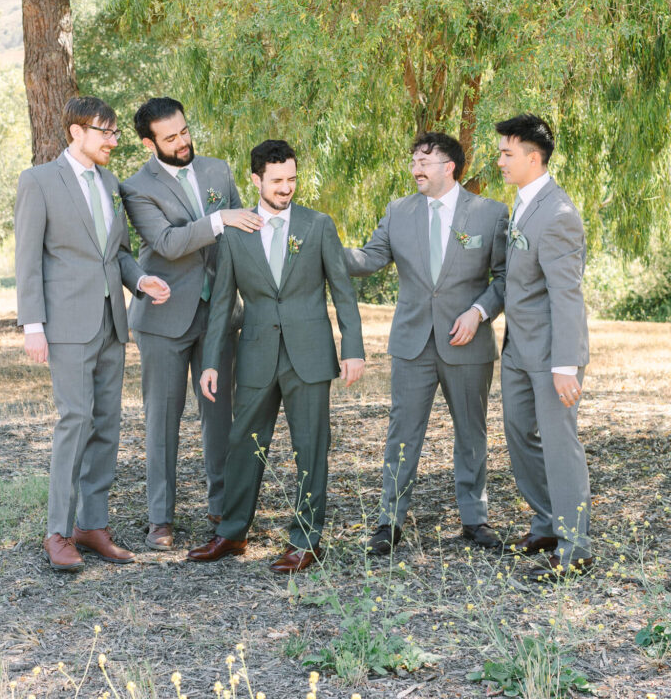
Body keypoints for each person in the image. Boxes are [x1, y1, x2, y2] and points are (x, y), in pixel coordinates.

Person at [186, 140, 365, 572]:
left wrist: (353, 349)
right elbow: (224, 302)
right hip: (255, 354)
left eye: (292, 179)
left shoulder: (318, 225)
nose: (286, 189)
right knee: (243, 444)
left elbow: (343, 292)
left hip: (310, 354)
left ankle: (306, 540)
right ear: (256, 180)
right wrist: (211, 361)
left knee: (311, 447)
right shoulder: (234, 233)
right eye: (277, 181)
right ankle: (231, 533)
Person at [15, 96, 170, 572]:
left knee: (106, 425)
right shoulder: (39, 181)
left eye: (115, 131)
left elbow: (117, 253)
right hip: (65, 326)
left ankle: (92, 525)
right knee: (74, 422)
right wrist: (34, 326)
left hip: (110, 324)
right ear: (75, 133)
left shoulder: (109, 183)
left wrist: (140, 279)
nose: (112, 140)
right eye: (104, 131)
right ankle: (58, 532)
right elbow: (27, 259)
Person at [346, 132, 508, 554]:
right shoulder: (398, 211)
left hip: (467, 342)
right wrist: (322, 246)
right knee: (402, 432)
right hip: (412, 343)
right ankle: (389, 522)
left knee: (472, 433)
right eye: (413, 161)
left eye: (425, 161)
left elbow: (505, 277)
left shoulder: (490, 214)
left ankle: (475, 520)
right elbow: (368, 259)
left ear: (449, 167)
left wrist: (479, 311)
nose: (416, 169)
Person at [120, 97, 262, 551]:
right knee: (163, 419)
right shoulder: (136, 186)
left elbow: (246, 232)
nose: (182, 142)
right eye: (170, 137)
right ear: (149, 142)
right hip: (163, 317)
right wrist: (218, 218)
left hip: (219, 315)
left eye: (184, 131)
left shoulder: (219, 170)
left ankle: (222, 508)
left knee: (219, 416)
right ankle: (160, 518)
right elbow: (166, 241)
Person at [496, 114, 592, 580]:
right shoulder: (521, 203)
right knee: (518, 437)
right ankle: (547, 523)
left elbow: (566, 294)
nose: (499, 160)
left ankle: (577, 547)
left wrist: (566, 366)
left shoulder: (558, 214)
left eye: (506, 153)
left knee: (559, 445)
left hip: (552, 355)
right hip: (516, 348)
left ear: (533, 158)